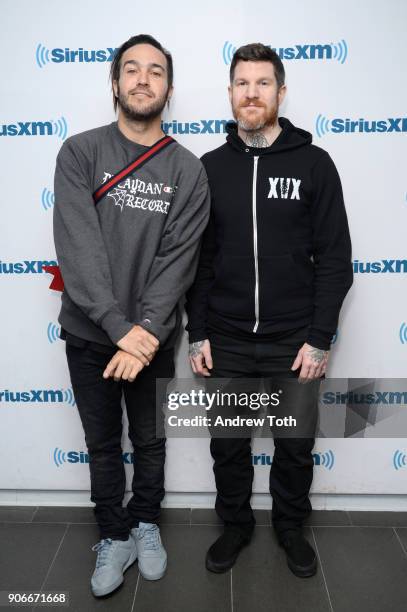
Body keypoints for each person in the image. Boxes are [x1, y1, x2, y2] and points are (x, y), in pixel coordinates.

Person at [186, 43, 353, 578]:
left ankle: (290, 527)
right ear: (230, 93)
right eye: (242, 83)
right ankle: (235, 525)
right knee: (229, 447)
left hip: (295, 338)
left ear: (281, 92)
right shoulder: (209, 168)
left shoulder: (313, 163)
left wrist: (320, 337)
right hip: (228, 338)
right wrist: (198, 332)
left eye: (262, 83)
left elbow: (335, 258)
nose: (251, 93)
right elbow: (200, 261)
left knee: (296, 447)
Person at [53, 34, 210, 596]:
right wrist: (122, 332)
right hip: (92, 333)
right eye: (133, 70)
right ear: (115, 82)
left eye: (156, 71)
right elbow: (79, 248)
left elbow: (177, 262)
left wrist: (144, 332)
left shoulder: (188, 170)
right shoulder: (80, 152)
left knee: (148, 441)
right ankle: (112, 535)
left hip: (152, 337)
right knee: (101, 443)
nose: (144, 79)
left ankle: (145, 525)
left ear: (169, 87)